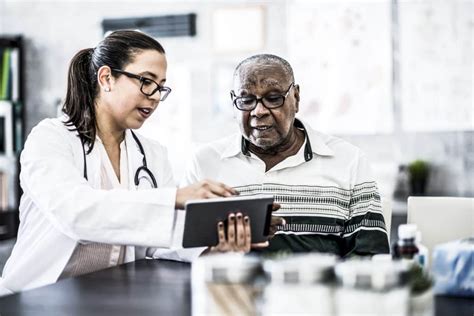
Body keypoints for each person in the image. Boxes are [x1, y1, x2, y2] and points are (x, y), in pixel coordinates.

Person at [0, 30, 252, 294]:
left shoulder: (153, 154)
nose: (155, 96)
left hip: (113, 297)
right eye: (146, 81)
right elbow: (75, 213)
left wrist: (214, 244)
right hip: (37, 297)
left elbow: (161, 239)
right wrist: (173, 198)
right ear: (106, 78)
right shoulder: (51, 138)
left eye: (161, 86)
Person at [182, 54, 390, 257]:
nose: (259, 111)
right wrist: (218, 249)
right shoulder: (205, 163)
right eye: (246, 100)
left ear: (296, 98)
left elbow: (369, 256)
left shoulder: (348, 161)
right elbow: (181, 254)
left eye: (273, 98)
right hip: (232, 289)